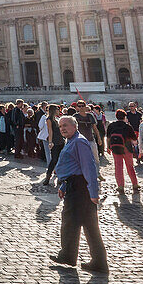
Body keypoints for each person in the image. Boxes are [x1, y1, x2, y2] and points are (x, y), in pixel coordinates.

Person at [51, 115, 108, 273]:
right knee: (86, 225)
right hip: (74, 186)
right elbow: (71, 166)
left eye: (66, 125)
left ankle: (70, 256)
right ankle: (97, 261)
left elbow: (89, 167)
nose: (62, 128)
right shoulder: (71, 141)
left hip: (80, 189)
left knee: (71, 222)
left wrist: (93, 192)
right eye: (60, 126)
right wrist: (63, 185)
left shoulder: (79, 142)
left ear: (75, 126)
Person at [106, 109, 139, 193]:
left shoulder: (111, 125)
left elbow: (108, 138)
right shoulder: (127, 126)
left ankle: (120, 186)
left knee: (118, 167)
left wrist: (108, 147)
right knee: (130, 167)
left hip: (115, 148)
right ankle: (134, 184)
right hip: (127, 148)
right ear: (125, 117)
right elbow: (134, 139)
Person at [42, 104, 64, 186]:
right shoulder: (49, 119)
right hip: (55, 141)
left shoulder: (56, 119)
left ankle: (60, 178)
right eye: (57, 109)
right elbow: (50, 131)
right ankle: (48, 176)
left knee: (60, 160)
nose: (59, 111)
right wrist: (50, 142)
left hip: (60, 140)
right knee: (54, 160)